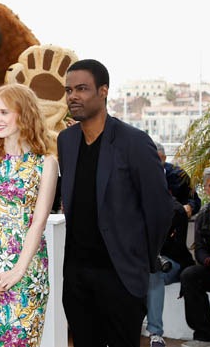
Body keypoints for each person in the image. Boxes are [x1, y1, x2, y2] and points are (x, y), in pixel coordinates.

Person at [58, 59, 172, 347]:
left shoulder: (134, 142)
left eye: (82, 88)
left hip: (121, 275)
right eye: (69, 89)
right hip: (76, 276)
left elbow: (160, 210)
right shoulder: (66, 141)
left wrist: (140, 259)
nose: (73, 96)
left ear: (103, 91)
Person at [0, 83, 58, 346]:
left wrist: (18, 270)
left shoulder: (46, 162)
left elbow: (38, 222)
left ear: (24, 114)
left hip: (27, 270)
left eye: (4, 112)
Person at [146, 142, 200, 347]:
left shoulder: (175, 211)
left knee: (153, 273)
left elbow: (176, 249)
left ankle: (155, 334)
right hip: (146, 260)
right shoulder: (137, 210)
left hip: (171, 261)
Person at [180, 165, 210, 344]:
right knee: (190, 276)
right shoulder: (204, 214)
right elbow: (200, 250)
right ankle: (206, 334)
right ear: (206, 189)